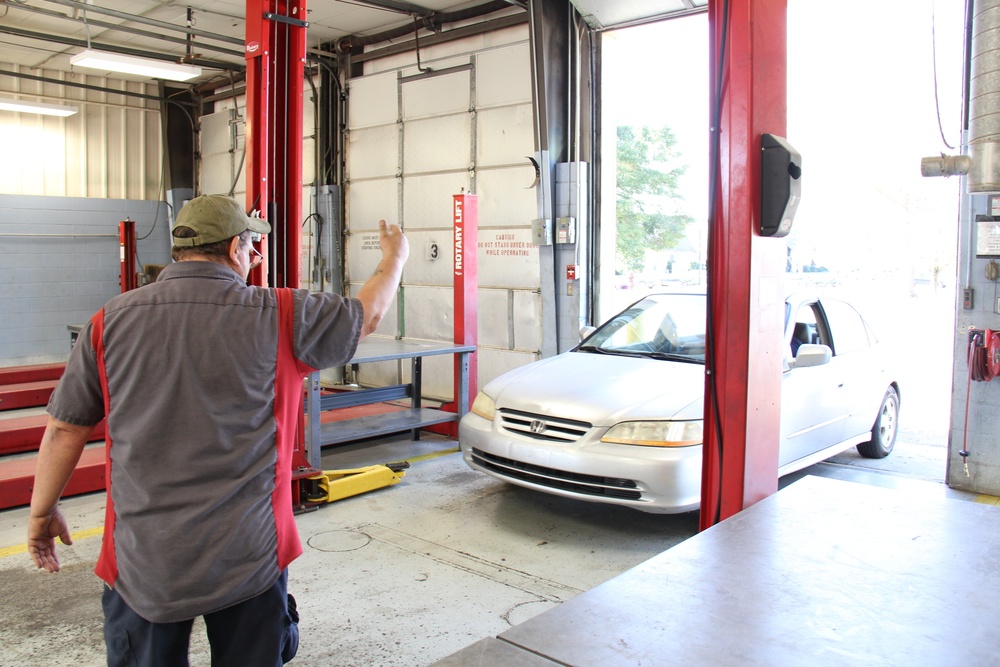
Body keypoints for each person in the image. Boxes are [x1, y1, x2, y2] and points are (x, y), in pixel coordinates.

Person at [26, 194, 409, 666]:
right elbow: (367, 314)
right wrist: (395, 257)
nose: (257, 257)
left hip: (144, 560)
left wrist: (42, 512)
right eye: (252, 247)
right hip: (249, 554)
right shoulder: (283, 315)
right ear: (234, 249)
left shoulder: (108, 323)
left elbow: (65, 430)